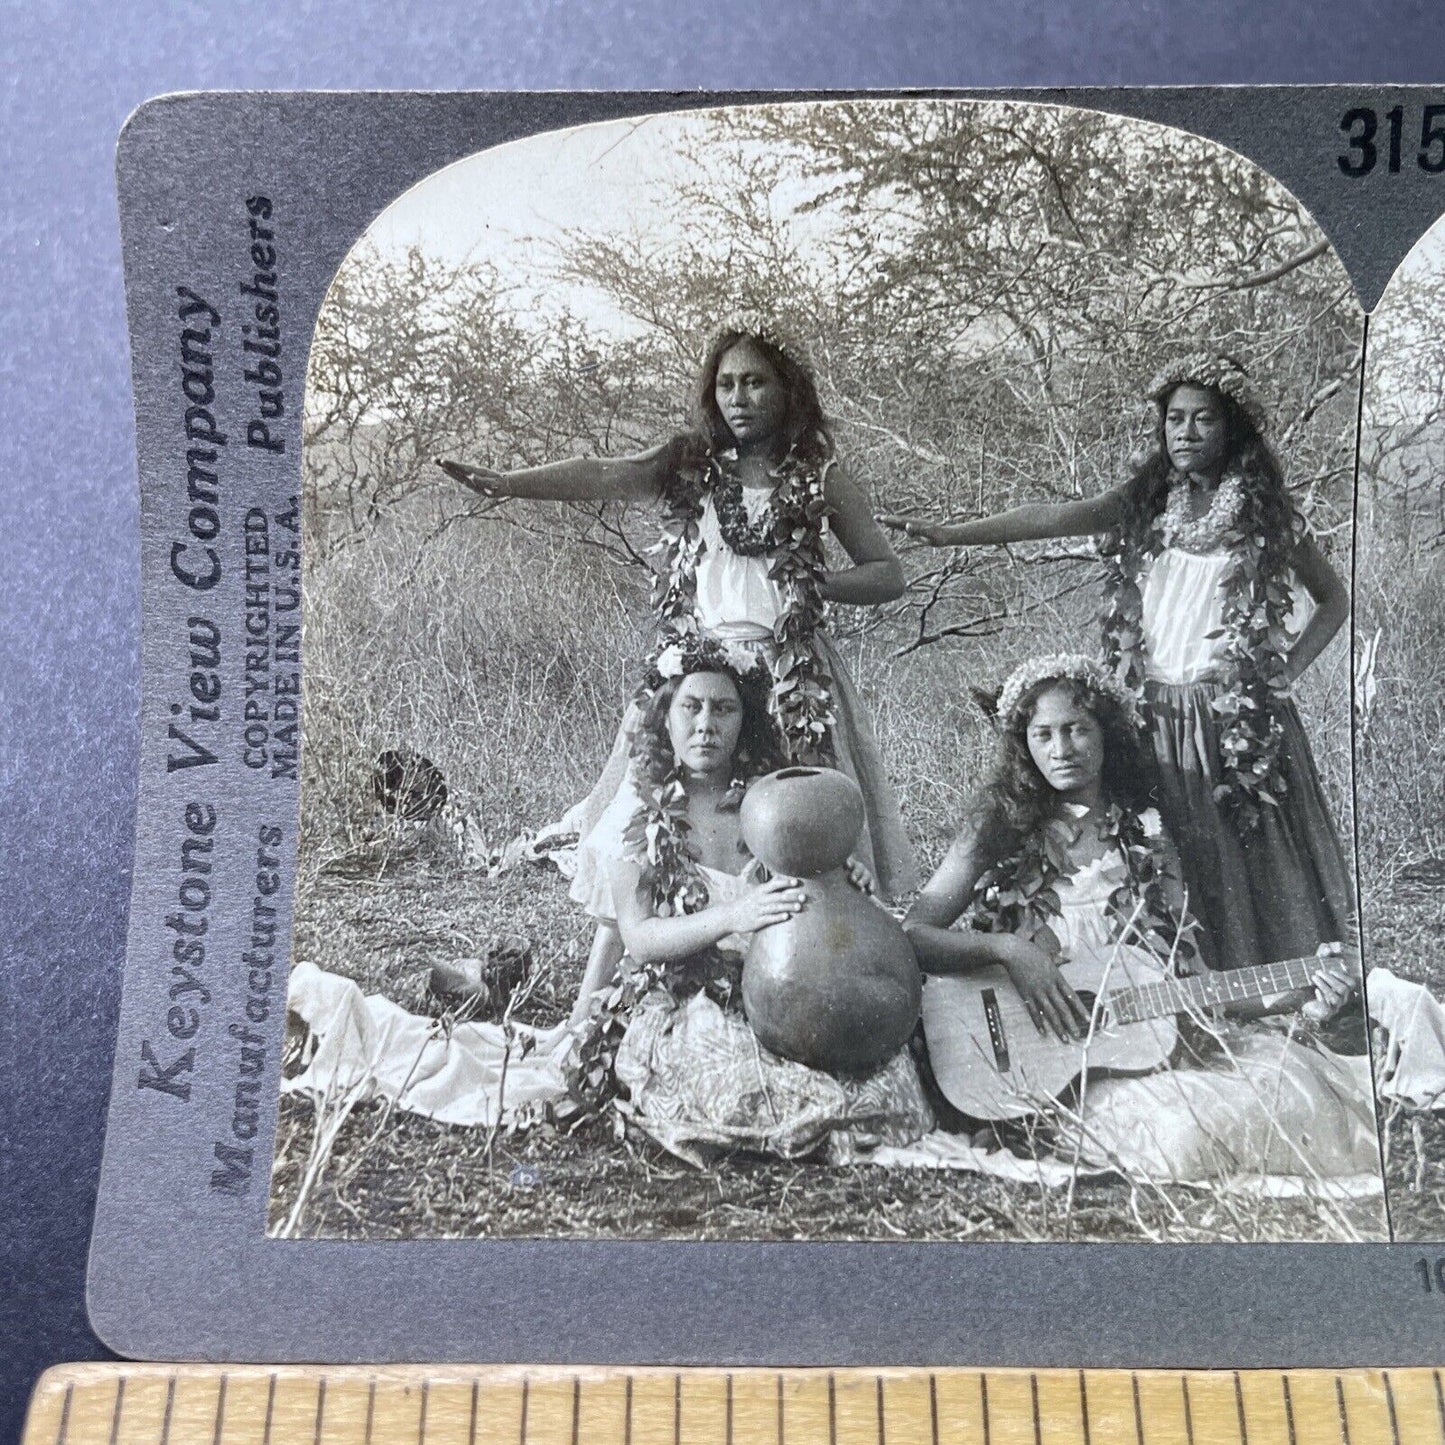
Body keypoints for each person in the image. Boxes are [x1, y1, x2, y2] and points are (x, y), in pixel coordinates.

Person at [439, 322, 917, 1020]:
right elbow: (604, 472)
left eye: (755, 382)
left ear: (787, 391)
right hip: (695, 675)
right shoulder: (690, 464)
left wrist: (810, 588)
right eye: (726, 384)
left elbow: (887, 573)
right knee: (645, 824)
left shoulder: (820, 478)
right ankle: (588, 1014)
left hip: (788, 680)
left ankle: (792, 991)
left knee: (784, 837)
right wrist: (512, 483)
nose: (739, 398)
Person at [882, 354, 1353, 975]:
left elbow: (1334, 600)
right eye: (1174, 420)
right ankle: (1183, 985)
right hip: (1154, 713)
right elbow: (1055, 517)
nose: (1184, 433)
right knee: (1173, 850)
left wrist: (1284, 673)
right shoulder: (1147, 505)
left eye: (1203, 420)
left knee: (1250, 859)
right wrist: (950, 533)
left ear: (1232, 429)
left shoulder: (1264, 519)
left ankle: (1278, 989)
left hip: (1234, 717)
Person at [904, 655, 1378, 1189]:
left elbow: (1189, 984)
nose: (1061, 750)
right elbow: (914, 935)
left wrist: (1297, 992)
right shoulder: (995, 832)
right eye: (1043, 735)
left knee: (1289, 1099)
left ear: (1107, 734)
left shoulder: (1147, 836)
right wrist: (1008, 951)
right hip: (1049, 1075)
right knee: (1183, 1136)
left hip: (1135, 1059)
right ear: (1023, 745)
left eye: (1077, 729)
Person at [572, 637, 933, 1165]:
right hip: (692, 997)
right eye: (690, 707)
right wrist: (732, 916)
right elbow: (642, 939)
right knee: (746, 1089)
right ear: (664, 719)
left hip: (789, 989)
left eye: (724, 708)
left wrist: (841, 880)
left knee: (889, 1081)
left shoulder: (773, 806)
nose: (705, 724)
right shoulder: (637, 821)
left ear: (745, 721)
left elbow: (816, 905)